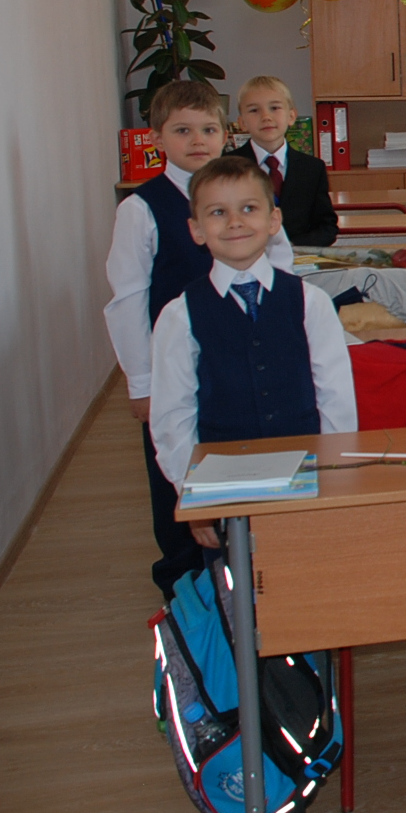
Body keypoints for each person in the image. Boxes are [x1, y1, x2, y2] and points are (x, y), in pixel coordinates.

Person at [105, 80, 297, 594]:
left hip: (247, 355)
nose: (198, 141)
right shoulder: (142, 208)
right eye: (182, 131)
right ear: (157, 138)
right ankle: (186, 583)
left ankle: (255, 574)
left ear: (225, 134)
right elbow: (127, 300)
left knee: (246, 452)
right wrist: (141, 382)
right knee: (177, 464)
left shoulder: (248, 189)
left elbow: (282, 261)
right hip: (176, 363)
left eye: (208, 130)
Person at [148, 157, 357, 549]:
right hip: (222, 485)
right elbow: (172, 415)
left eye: (248, 208)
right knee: (238, 576)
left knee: (308, 564)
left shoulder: (310, 302)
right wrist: (190, 492)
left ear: (274, 220)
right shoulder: (179, 315)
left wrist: (336, 473)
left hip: (306, 473)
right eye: (217, 212)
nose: (235, 222)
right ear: (196, 229)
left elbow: (336, 397)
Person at [228, 74, 336, 247]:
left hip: (298, 256)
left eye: (275, 108)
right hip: (244, 254)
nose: (266, 117)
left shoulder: (312, 168)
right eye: (254, 110)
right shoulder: (226, 167)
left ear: (291, 116)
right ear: (242, 123)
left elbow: (327, 228)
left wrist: (290, 247)